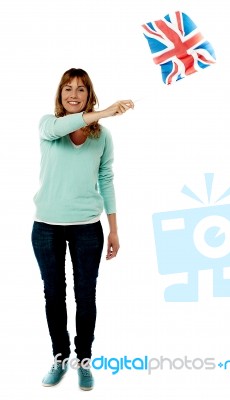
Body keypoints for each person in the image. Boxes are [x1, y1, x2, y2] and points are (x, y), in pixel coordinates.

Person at [31, 68, 134, 391]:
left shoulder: (102, 137)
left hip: (88, 229)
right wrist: (103, 112)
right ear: (59, 95)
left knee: (85, 296)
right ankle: (60, 358)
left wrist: (114, 228)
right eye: (67, 89)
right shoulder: (49, 125)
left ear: (90, 94)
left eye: (81, 90)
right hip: (47, 226)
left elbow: (106, 180)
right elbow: (64, 126)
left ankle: (84, 360)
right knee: (53, 294)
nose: (73, 95)